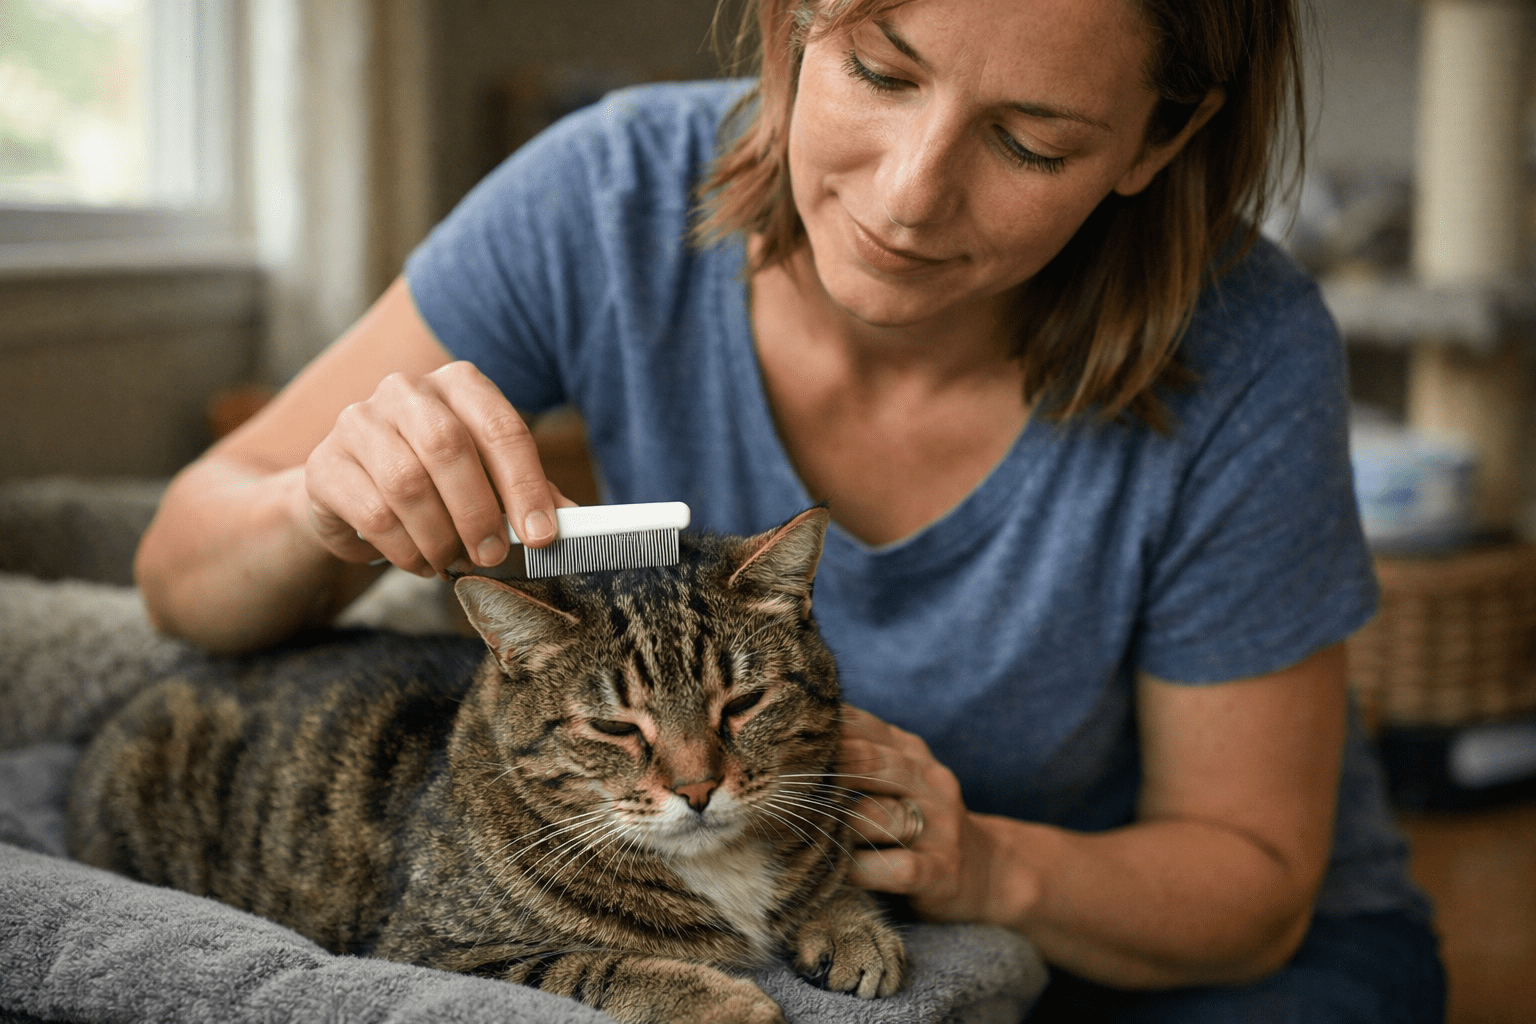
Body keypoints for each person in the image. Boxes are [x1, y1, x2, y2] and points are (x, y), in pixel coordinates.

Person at [134, 0, 1446, 1019]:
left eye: (1030, 141)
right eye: (880, 73)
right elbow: (182, 569)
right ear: (792, 24)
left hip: (1203, 964)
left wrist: (983, 868)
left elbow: (1254, 897)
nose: (907, 195)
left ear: (1156, 142)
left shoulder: (1250, 345)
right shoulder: (603, 201)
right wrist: (322, 503)